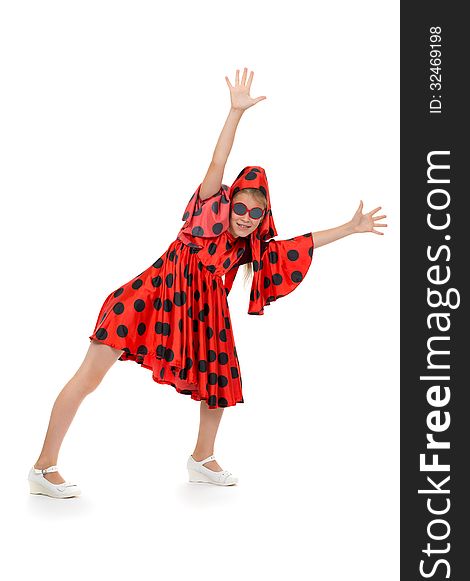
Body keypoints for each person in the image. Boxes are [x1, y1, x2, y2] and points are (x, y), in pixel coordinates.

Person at [28, 67, 387, 498]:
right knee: (89, 377)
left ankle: (202, 458)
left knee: (220, 376)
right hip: (147, 301)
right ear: (227, 201)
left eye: (256, 214)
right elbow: (218, 162)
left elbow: (299, 244)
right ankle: (43, 466)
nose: (245, 217)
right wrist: (235, 113)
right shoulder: (206, 213)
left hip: (202, 315)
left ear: (262, 219)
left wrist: (349, 229)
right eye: (241, 206)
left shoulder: (248, 248)